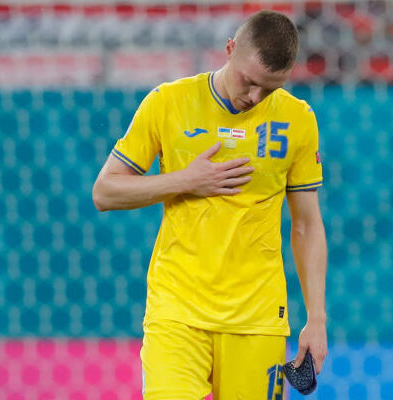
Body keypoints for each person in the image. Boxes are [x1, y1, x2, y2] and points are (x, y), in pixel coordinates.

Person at [92, 10, 327, 399]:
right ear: (230, 49)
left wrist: (316, 318)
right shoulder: (168, 102)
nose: (255, 97)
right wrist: (186, 180)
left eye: (269, 89)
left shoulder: (297, 119)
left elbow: (307, 224)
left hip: (257, 319)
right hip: (177, 312)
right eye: (249, 82)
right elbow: (105, 192)